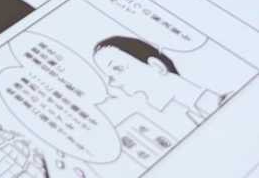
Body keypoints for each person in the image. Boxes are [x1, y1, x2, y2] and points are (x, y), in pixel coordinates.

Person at [92, 35, 230, 128]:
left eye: (118, 68)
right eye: (109, 76)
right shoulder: (182, 121)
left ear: (156, 66)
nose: (112, 83)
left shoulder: (224, 104)